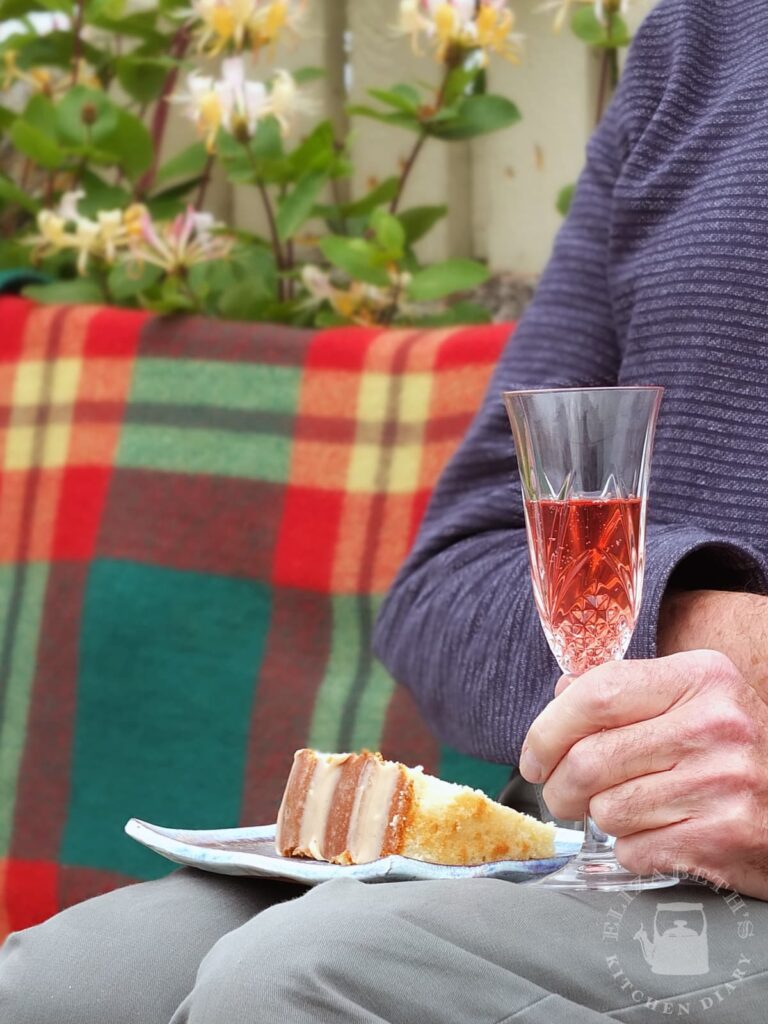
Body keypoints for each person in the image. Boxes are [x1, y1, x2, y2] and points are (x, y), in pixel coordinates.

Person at [3, 0, 768, 1020]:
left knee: (296, 981)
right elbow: (454, 573)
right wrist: (701, 644)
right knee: (61, 983)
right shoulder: (705, 38)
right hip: (593, 848)